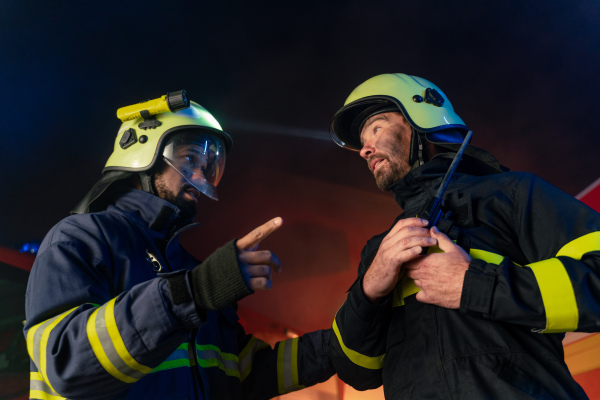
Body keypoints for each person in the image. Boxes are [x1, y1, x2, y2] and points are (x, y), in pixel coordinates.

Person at [24, 91, 334, 399]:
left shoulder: (191, 268)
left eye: (209, 165)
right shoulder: (80, 240)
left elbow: (241, 371)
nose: (201, 175)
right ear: (143, 153)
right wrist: (192, 292)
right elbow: (66, 364)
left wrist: (335, 349)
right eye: (189, 159)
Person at [327, 73, 600, 399]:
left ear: (421, 122)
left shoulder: (512, 194)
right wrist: (368, 292)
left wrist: (476, 285)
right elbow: (356, 371)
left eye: (376, 128)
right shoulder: (379, 250)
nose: (365, 149)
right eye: (361, 140)